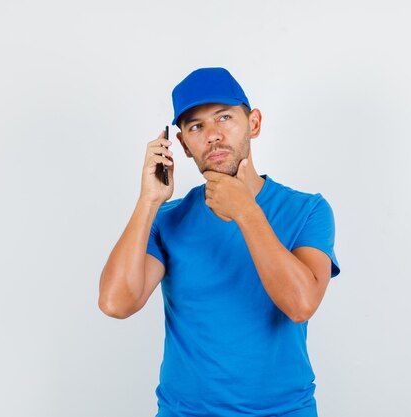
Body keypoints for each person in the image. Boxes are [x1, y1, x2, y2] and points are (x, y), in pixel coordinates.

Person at [99, 67, 340, 417]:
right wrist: (149, 200)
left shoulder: (307, 210)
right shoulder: (167, 219)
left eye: (224, 117)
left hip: (285, 411)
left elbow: (301, 304)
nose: (212, 135)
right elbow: (116, 303)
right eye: (196, 126)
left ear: (253, 123)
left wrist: (246, 211)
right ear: (181, 144)